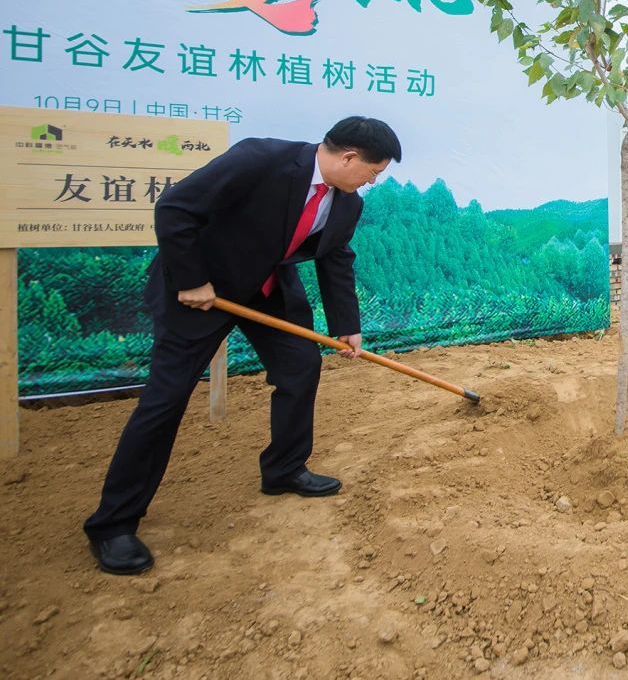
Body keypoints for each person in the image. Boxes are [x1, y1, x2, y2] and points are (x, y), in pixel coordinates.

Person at [83, 117, 402, 575]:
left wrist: (345, 325)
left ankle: (284, 469)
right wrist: (193, 279)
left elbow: (335, 257)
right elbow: (175, 209)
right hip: (199, 292)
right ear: (349, 157)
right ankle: (113, 524)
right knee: (166, 399)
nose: (371, 182)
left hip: (267, 291)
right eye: (373, 172)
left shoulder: (346, 203)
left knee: (300, 366)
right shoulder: (262, 159)